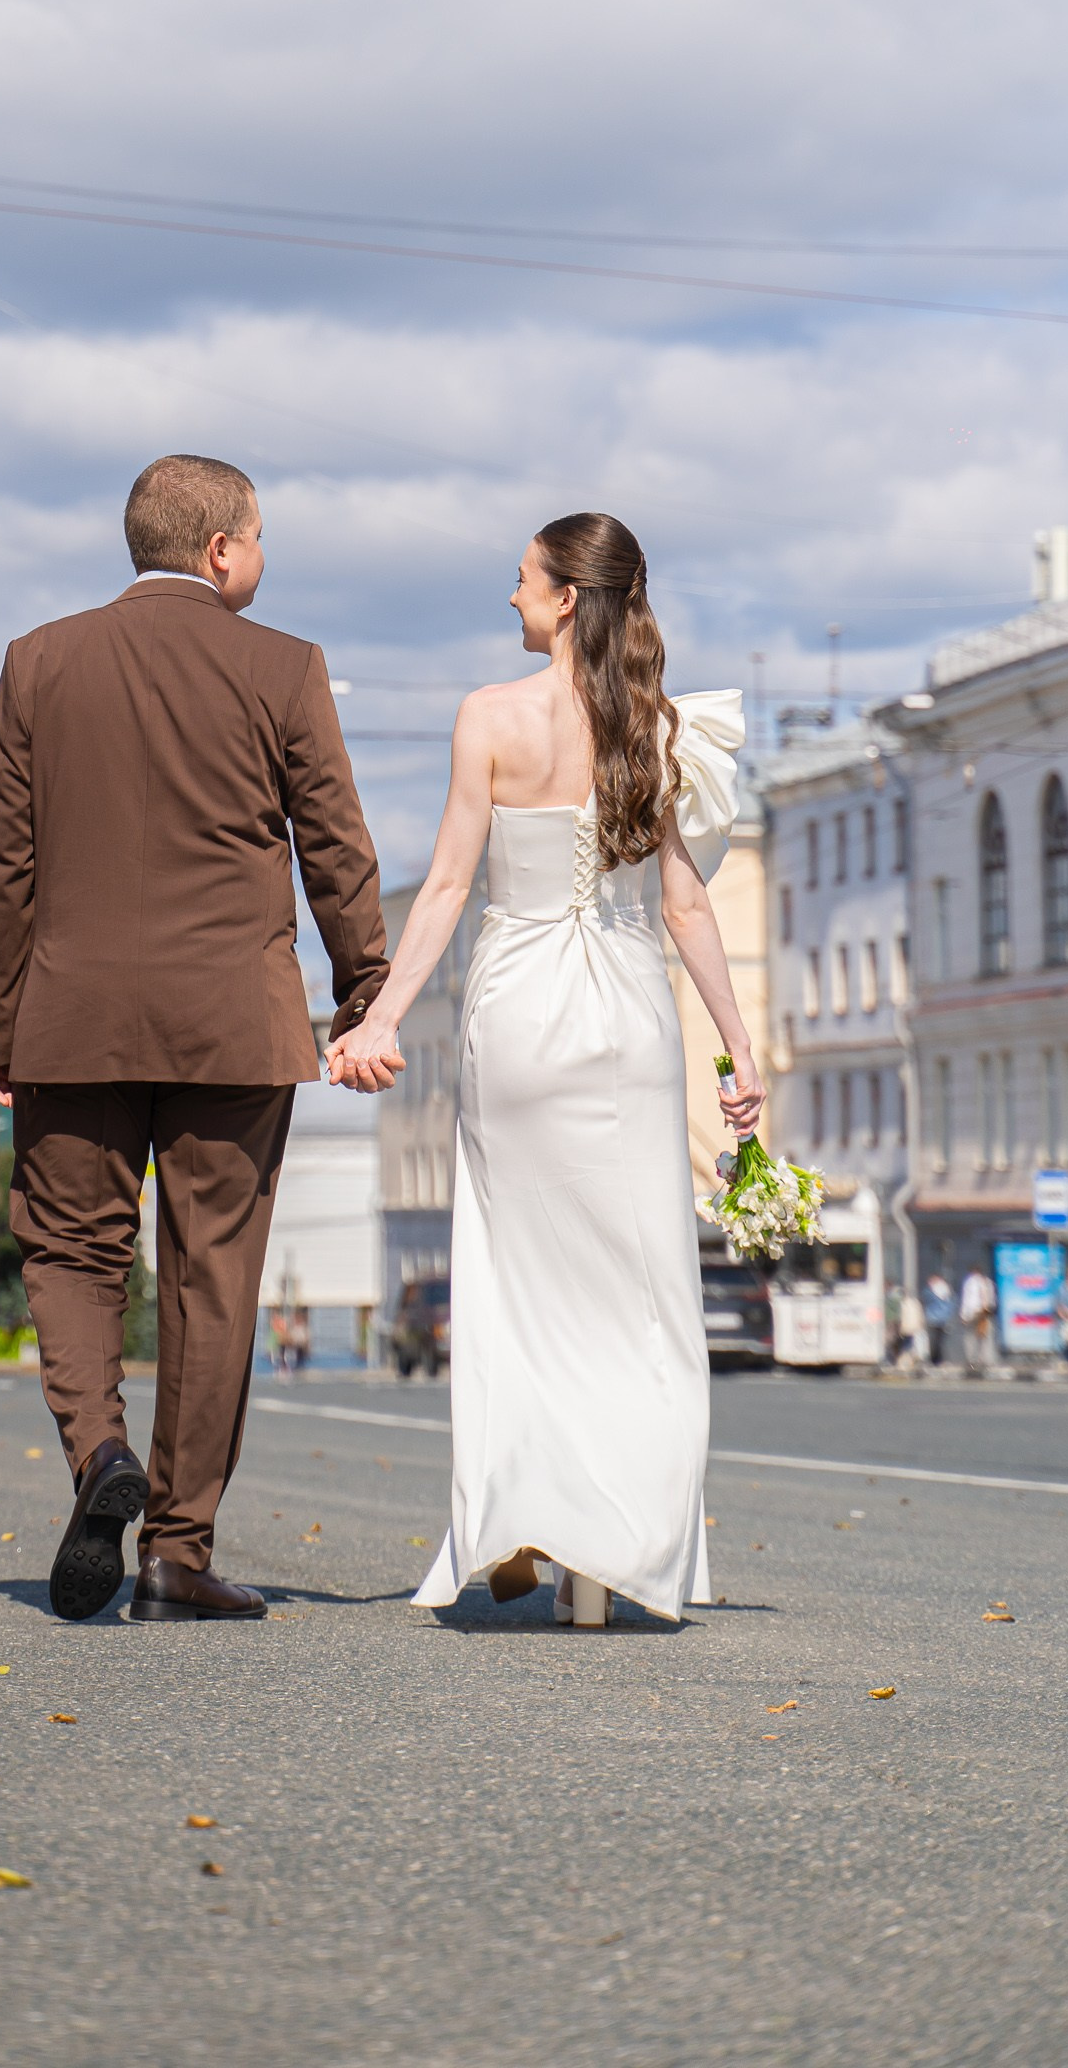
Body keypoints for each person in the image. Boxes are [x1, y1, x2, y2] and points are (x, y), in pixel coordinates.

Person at [0, 454, 390, 1624]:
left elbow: (5, 864)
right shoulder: (284, 666)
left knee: (69, 1253)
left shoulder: (36, 662)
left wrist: (3, 1026)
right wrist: (363, 984)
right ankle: (174, 1548)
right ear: (219, 551)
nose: (262, 557)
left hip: (71, 1015)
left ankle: (97, 1453)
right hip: (233, 1025)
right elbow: (335, 846)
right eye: (257, 538)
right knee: (214, 1279)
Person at [328, 512, 761, 1630]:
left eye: (522, 581)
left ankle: (524, 1514)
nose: (509, 597)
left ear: (566, 596)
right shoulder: (656, 729)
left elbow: (442, 893)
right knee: (638, 1293)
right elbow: (683, 907)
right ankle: (611, 1557)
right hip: (626, 1021)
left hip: (517, 1018)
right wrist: (738, 1052)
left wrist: (378, 1021)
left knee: (520, 1291)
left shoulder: (487, 718)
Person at [960, 1264, 996, 1371]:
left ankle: (972, 1359)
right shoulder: (987, 1282)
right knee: (986, 1336)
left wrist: (963, 1315)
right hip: (985, 1313)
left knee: (970, 1337)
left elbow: (967, 1299)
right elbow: (992, 1299)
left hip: (973, 1313)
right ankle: (987, 1360)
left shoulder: (970, 1282)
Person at [924, 1270, 955, 1368]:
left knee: (935, 1341)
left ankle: (935, 1360)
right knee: (939, 1341)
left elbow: (927, 1299)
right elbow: (951, 1305)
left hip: (934, 1318)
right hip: (942, 1319)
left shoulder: (931, 1291)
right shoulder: (946, 1291)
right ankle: (938, 1359)